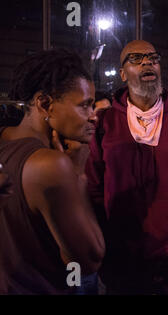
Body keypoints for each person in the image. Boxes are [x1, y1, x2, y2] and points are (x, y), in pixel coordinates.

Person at [85, 40, 168, 294]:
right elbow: (93, 190)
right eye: (136, 58)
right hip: (120, 262)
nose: (147, 62)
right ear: (123, 74)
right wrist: (105, 251)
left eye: (153, 58)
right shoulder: (106, 123)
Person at [0, 49, 105, 294]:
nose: (93, 117)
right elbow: (89, 259)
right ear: (45, 104)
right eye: (85, 106)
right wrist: (77, 174)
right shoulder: (51, 166)